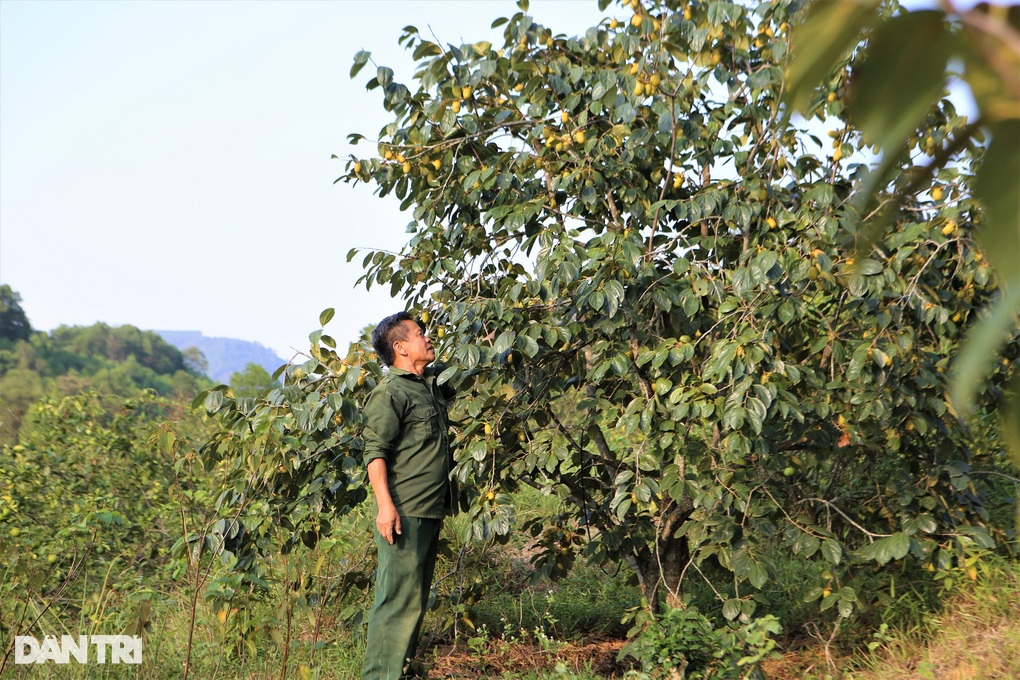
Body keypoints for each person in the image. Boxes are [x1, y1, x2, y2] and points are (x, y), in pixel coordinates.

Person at [361, 311, 455, 679]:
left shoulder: (429, 384)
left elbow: (468, 370)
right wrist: (386, 507)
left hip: (430, 509)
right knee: (397, 601)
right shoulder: (390, 392)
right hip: (405, 511)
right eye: (420, 334)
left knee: (414, 600)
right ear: (400, 347)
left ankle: (399, 673)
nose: (428, 338)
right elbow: (375, 454)